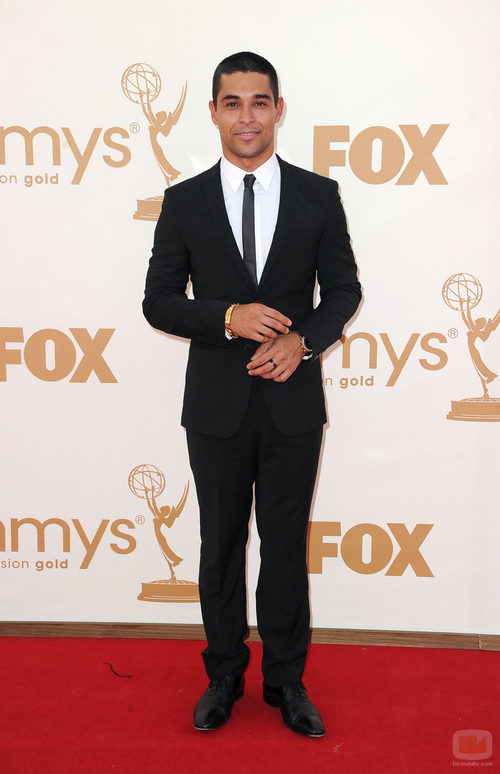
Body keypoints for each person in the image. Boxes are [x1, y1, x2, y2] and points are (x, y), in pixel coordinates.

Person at [143, 51, 361, 737]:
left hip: (294, 402)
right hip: (216, 405)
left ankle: (286, 680)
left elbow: (344, 290)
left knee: (285, 546)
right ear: (213, 112)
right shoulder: (184, 201)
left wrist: (305, 342)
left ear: (278, 110)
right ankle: (223, 674)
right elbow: (157, 301)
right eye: (232, 103)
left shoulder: (318, 195)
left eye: (259, 102)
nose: (247, 117)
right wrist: (227, 316)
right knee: (219, 545)